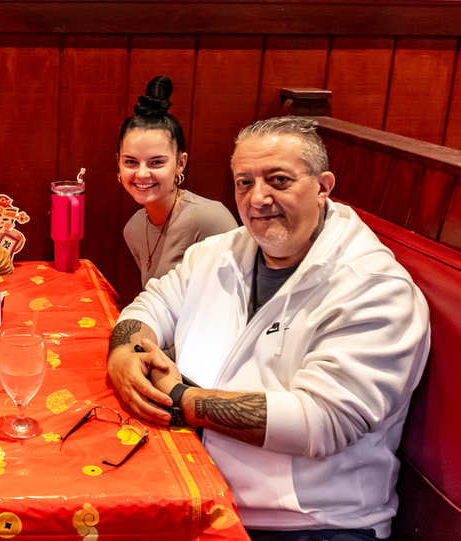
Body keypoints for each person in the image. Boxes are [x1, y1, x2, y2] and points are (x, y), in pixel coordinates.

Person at [106, 116, 430, 539]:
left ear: (323, 185)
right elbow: (152, 303)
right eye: (244, 182)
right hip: (201, 491)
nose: (258, 198)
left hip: (309, 524)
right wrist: (123, 354)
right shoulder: (220, 251)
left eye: (278, 180)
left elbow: (320, 420)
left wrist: (181, 397)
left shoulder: (374, 288)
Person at [118, 75, 237, 285]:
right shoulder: (133, 229)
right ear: (118, 163)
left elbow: (233, 301)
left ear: (180, 163)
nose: (142, 174)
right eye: (131, 162)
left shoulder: (211, 220)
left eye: (156, 162)